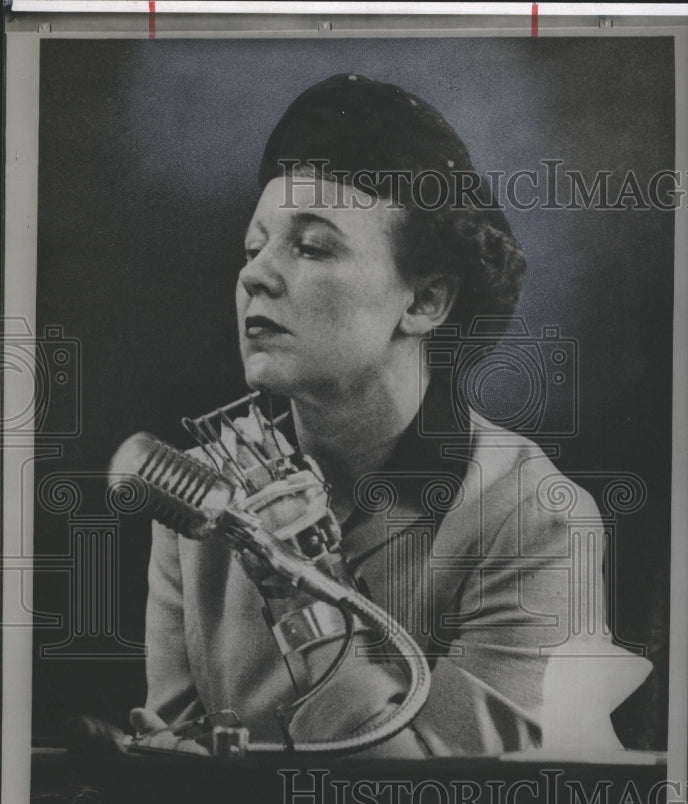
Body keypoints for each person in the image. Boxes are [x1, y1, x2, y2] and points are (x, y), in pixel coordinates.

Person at [131, 75, 650, 759]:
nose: (255, 275)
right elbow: (176, 762)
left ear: (426, 301)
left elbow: (431, 800)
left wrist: (302, 599)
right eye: (253, 248)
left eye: (312, 247)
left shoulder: (534, 518)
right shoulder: (199, 498)